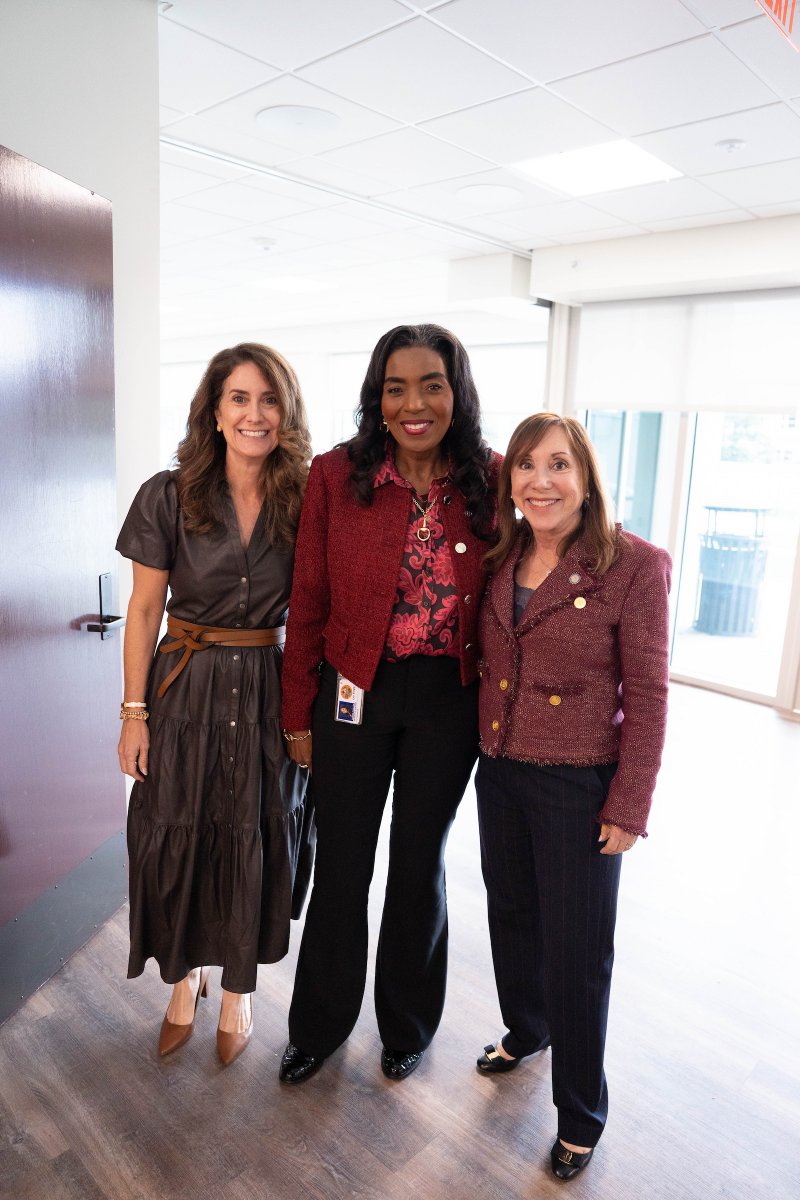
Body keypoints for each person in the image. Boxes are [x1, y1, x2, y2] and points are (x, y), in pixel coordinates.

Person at [278, 324, 500, 1084]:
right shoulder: (335, 475)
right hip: (353, 690)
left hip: (449, 698)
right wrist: (296, 713)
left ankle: (407, 1026)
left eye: (431, 385)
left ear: (455, 393)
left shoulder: (490, 477)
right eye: (396, 387)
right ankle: (318, 1027)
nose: (413, 404)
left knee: (417, 864)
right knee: (342, 863)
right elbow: (308, 598)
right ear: (377, 397)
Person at [475, 413, 671, 1180]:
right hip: (501, 768)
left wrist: (629, 806)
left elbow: (648, 695)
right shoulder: (503, 553)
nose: (541, 480)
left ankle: (581, 1114)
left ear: (586, 477)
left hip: (578, 782)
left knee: (578, 954)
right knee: (512, 916)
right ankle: (528, 1029)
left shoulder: (634, 564)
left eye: (559, 464)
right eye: (526, 465)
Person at [116, 343, 313, 1065]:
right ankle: (183, 979)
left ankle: (237, 991)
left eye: (268, 399)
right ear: (216, 411)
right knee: (179, 828)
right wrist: (133, 714)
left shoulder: (306, 499)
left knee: (252, 833)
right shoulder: (168, 495)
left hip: (269, 689)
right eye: (239, 398)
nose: (254, 414)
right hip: (185, 688)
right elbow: (144, 611)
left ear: (286, 413)